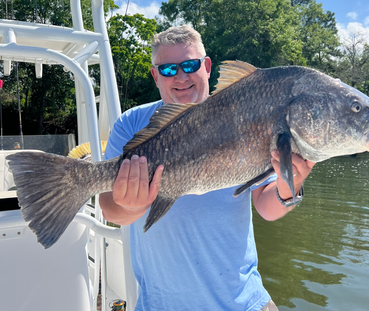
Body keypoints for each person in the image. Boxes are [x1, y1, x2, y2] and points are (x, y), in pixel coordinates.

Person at [99, 25, 315, 311]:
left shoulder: (246, 117)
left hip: (244, 304)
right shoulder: (130, 124)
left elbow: (266, 206)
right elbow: (109, 210)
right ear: (155, 75)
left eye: (190, 65)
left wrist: (291, 186)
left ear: (207, 66)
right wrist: (132, 206)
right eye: (168, 69)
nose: (181, 76)